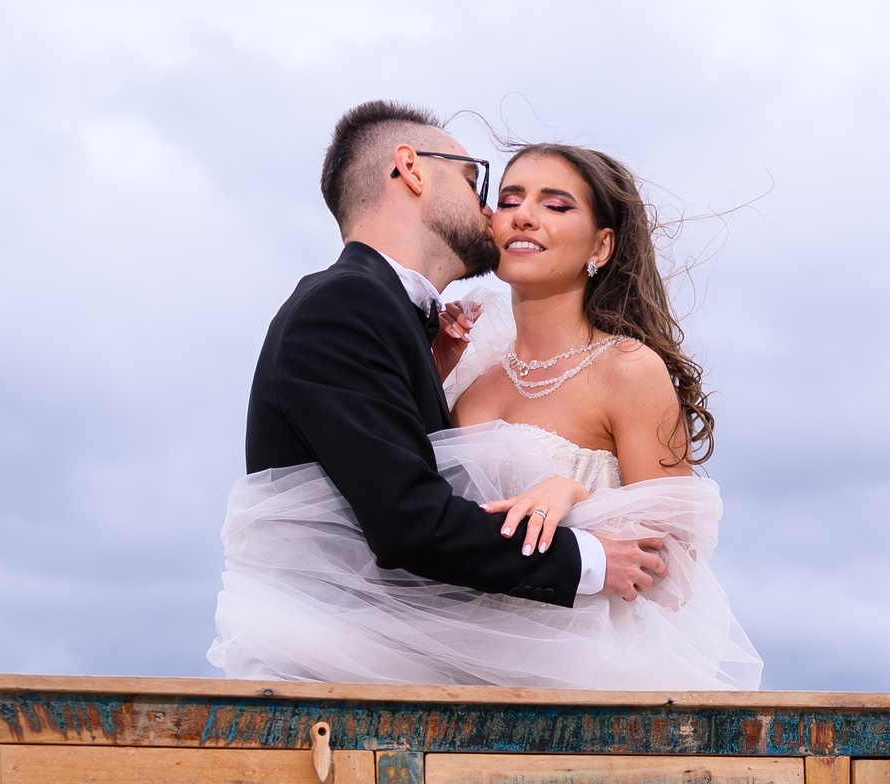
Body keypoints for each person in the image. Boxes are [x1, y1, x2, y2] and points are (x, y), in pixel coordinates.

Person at [210, 101, 761, 689]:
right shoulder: (446, 368)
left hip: (582, 672)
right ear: (412, 171)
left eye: (555, 204)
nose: (514, 214)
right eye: (500, 194)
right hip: (416, 668)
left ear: (601, 247)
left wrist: (570, 491)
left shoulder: (625, 369)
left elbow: (676, 565)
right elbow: (415, 522)